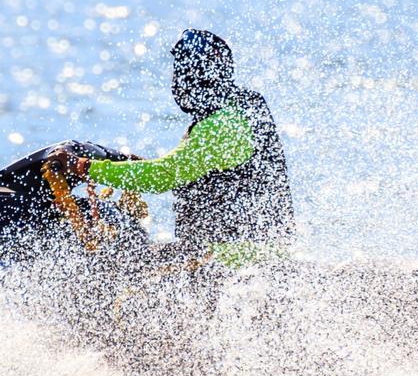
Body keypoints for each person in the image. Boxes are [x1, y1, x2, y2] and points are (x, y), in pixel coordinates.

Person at [53, 29, 295, 267]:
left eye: (182, 74)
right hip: (256, 252)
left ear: (197, 77)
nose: (177, 83)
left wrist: (83, 166)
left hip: (233, 258)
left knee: (115, 265)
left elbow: (164, 176)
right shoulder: (241, 109)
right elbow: (190, 168)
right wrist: (133, 167)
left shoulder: (222, 126)